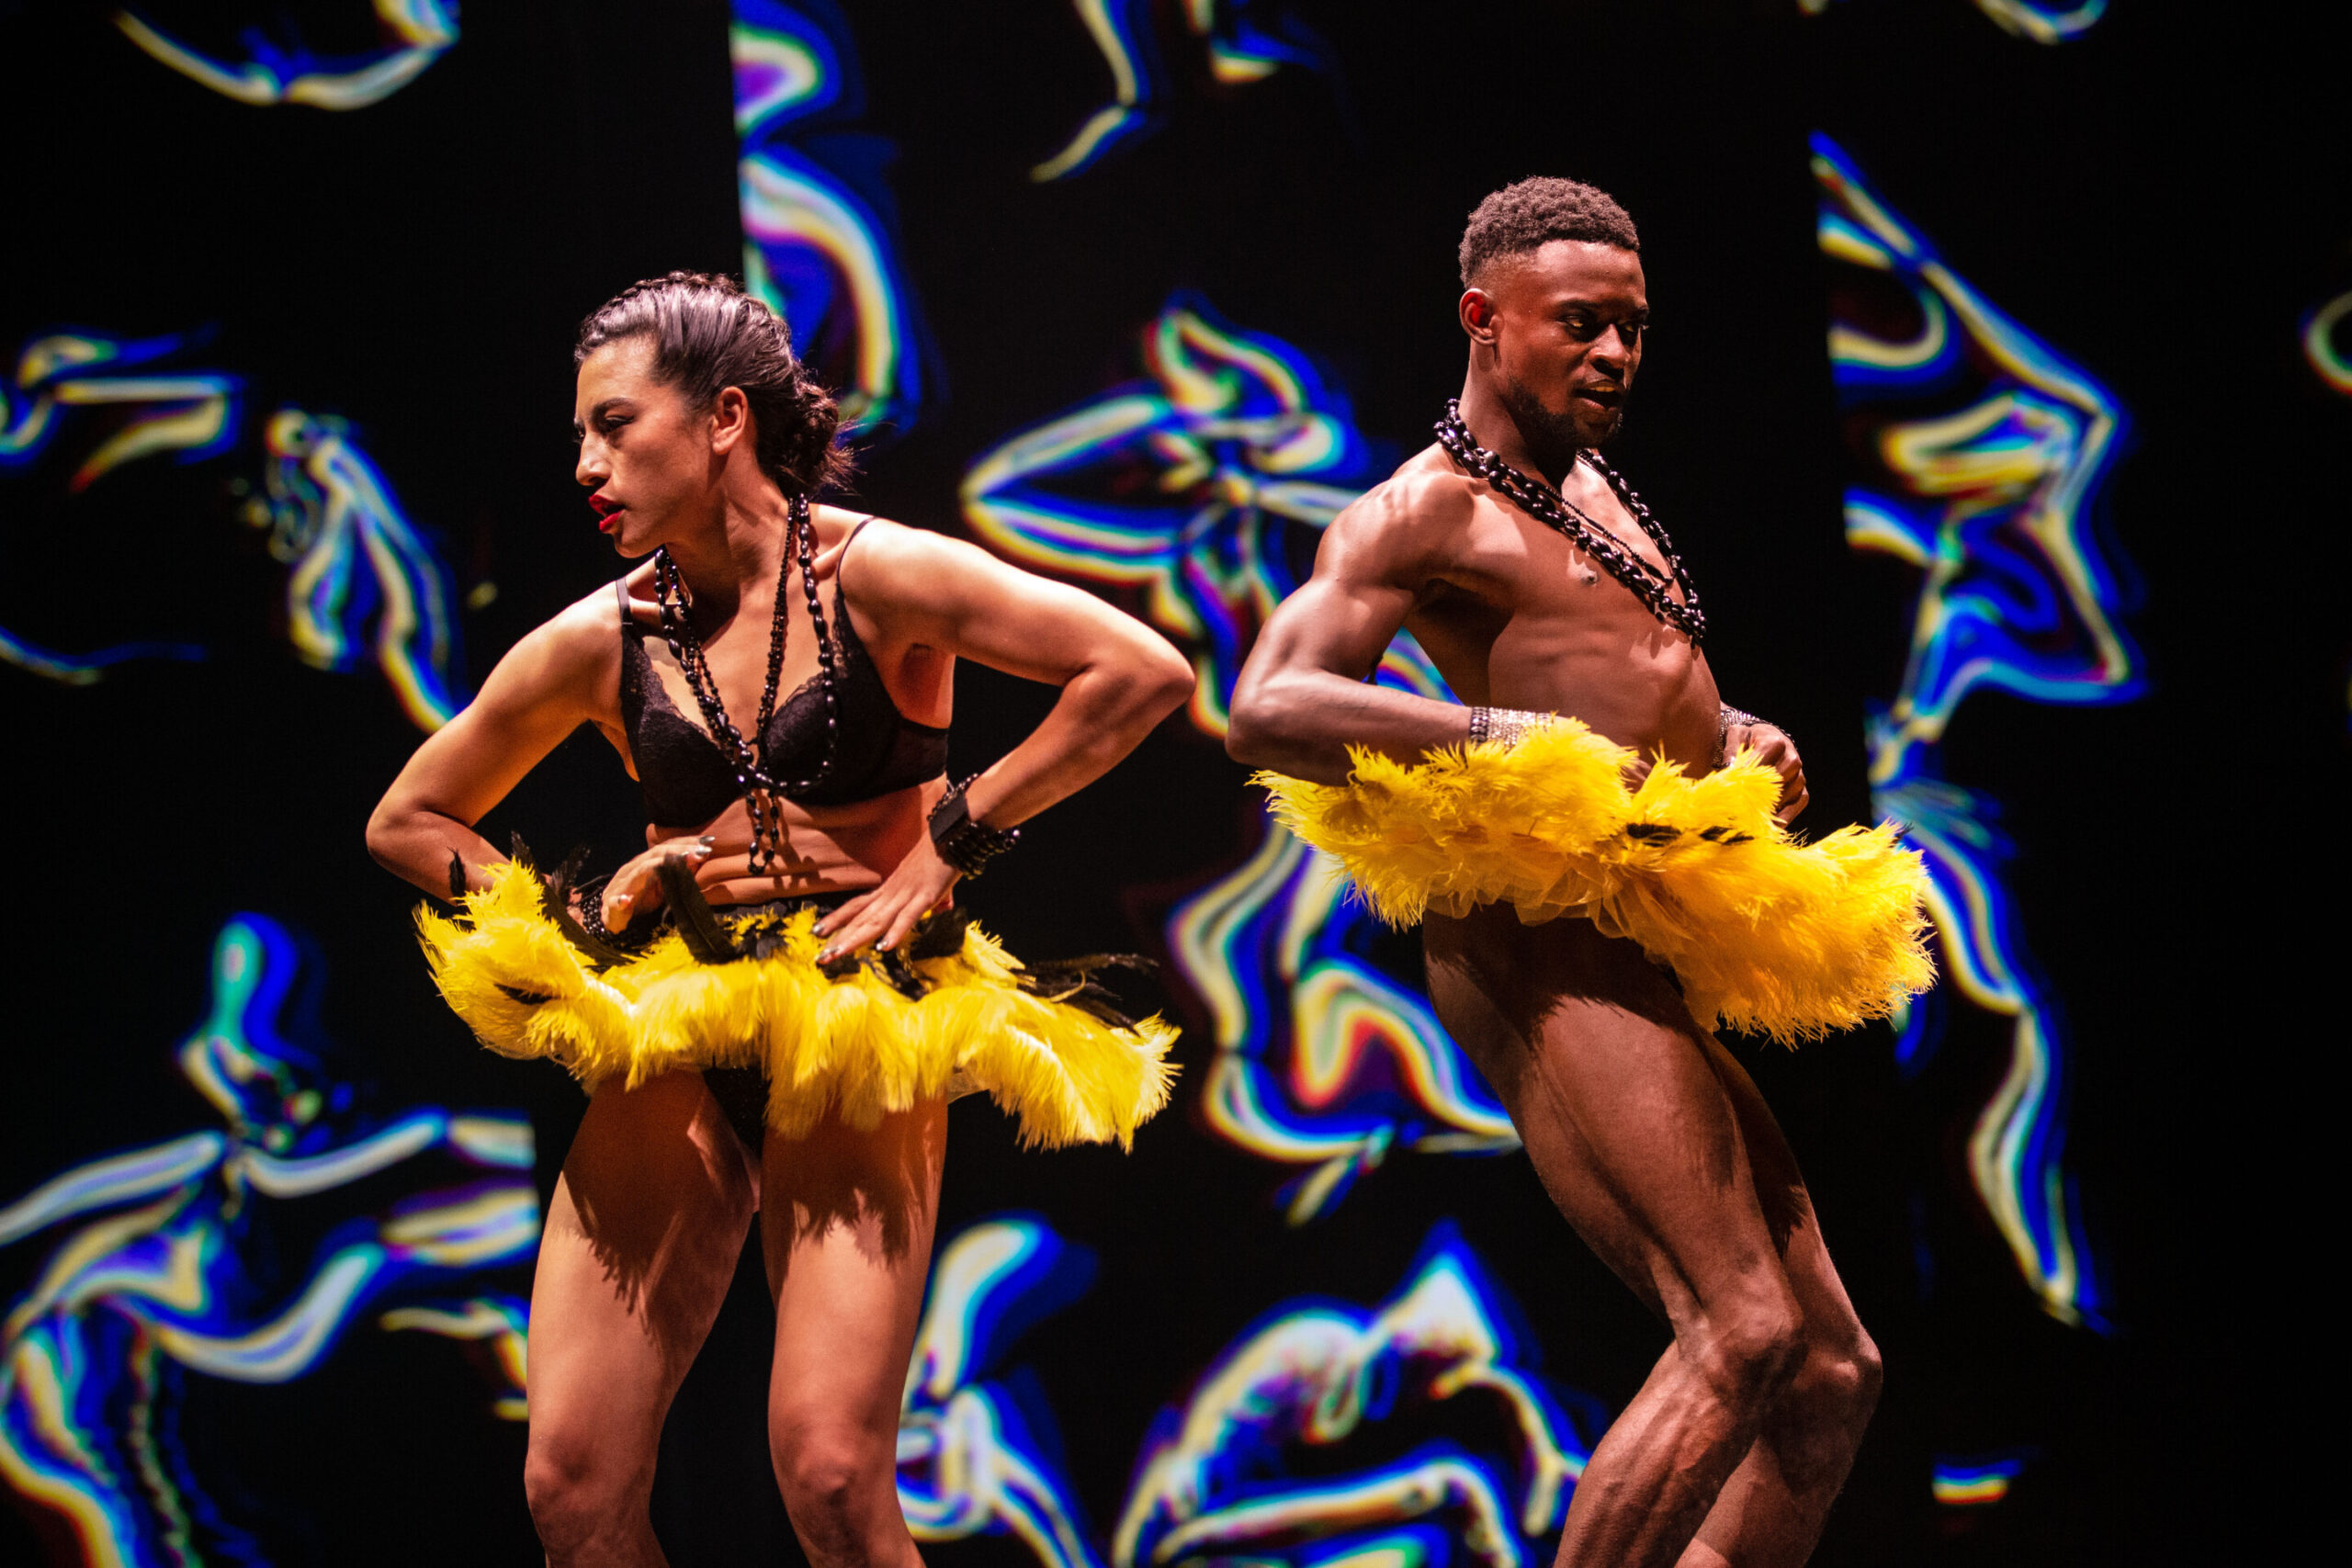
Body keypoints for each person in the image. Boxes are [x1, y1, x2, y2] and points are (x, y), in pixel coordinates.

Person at [367, 272, 1192, 1568]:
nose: (586, 462)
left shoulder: (878, 574)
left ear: (723, 419)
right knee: (571, 1485)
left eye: (615, 424)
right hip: (685, 1019)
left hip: (859, 1022)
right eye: (579, 433)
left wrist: (947, 843)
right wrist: (582, 909)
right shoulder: (600, 638)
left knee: (827, 1470)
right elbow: (410, 820)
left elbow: (1139, 672)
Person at [1226, 180, 1932, 1568]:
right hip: (1537, 932)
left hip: (1640, 918)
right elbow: (1269, 704)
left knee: (1831, 1376)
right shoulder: (1421, 517)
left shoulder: (1600, 492)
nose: (1615, 354)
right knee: (1742, 1328)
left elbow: (1635, 688)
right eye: (1581, 325)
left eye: (1633, 329)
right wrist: (1497, 733)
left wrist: (1735, 738)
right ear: (1484, 321)